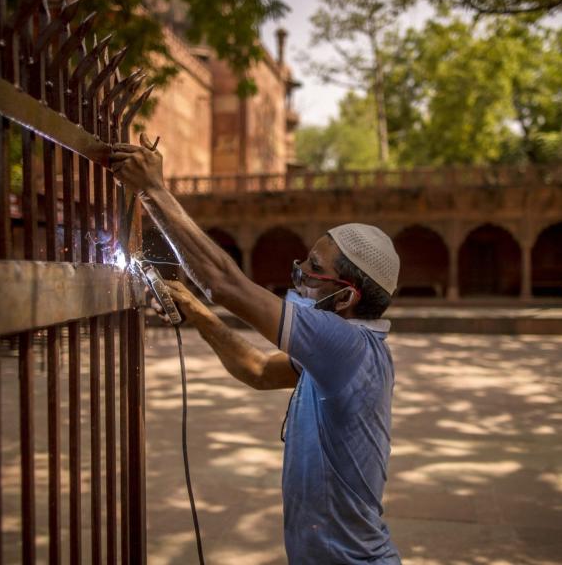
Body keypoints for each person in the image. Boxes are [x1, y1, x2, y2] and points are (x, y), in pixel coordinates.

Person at [110, 135, 402, 564]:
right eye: (304, 260)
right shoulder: (344, 353)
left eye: (314, 270)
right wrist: (195, 309)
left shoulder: (345, 344)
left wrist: (153, 191)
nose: (300, 273)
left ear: (346, 299)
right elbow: (259, 370)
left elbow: (225, 283)